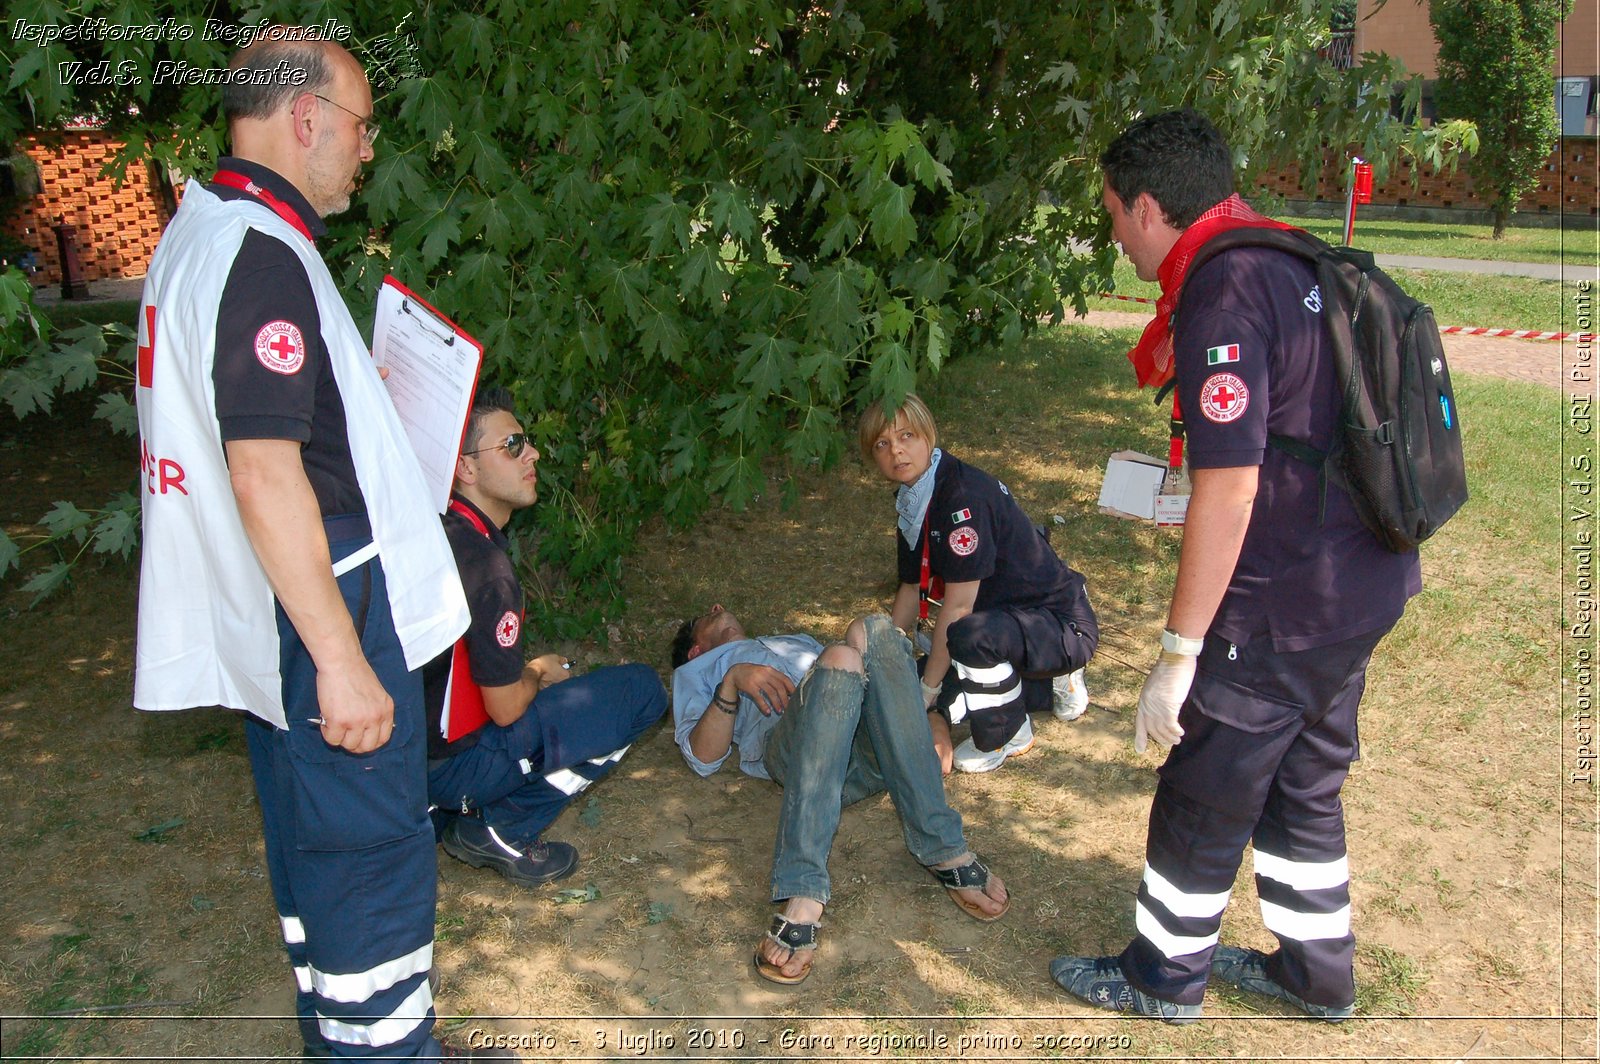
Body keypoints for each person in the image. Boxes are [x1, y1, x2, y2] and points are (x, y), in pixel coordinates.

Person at [131, 32, 519, 1061]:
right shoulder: (261, 254)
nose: (364, 148)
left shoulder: (207, 228)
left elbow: (267, 428)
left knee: (315, 857)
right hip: (326, 612)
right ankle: (387, 1046)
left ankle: (353, 1036)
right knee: (367, 860)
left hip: (277, 606)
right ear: (305, 118)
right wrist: (344, 663)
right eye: (358, 125)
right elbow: (262, 470)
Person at [1049, 109, 1421, 1023]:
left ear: (1146, 207)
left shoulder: (1223, 290)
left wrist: (1179, 656)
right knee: (1304, 778)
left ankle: (1162, 976)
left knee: (1205, 777)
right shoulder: (1290, 254)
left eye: (1111, 214)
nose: (1114, 235)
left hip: (1285, 597)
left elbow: (1230, 491)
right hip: (1362, 576)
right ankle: (1317, 973)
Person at [668, 606, 1010, 984]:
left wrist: (934, 717)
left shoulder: (792, 641)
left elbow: (886, 675)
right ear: (695, 649)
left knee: (873, 628)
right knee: (841, 657)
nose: (718, 608)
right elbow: (702, 758)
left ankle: (943, 846)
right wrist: (732, 681)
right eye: (704, 615)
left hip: (872, 746)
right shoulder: (697, 672)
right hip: (797, 754)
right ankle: (803, 890)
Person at [424, 389, 667, 886]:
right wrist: (536, 671)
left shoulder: (435, 530)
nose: (532, 453)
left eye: (527, 442)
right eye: (512, 445)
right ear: (465, 468)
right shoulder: (488, 570)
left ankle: (449, 814)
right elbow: (506, 710)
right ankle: (501, 828)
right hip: (452, 766)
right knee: (641, 692)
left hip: (409, 756)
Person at [858, 395, 1099, 774]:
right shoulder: (915, 496)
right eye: (882, 444)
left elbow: (956, 610)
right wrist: (884, 657)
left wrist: (928, 688)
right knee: (928, 688)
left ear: (928, 435)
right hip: (1003, 619)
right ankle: (1048, 685)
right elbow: (909, 587)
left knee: (964, 639)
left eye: (906, 436)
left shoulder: (960, 500)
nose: (897, 451)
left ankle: (1007, 733)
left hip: (1057, 623)